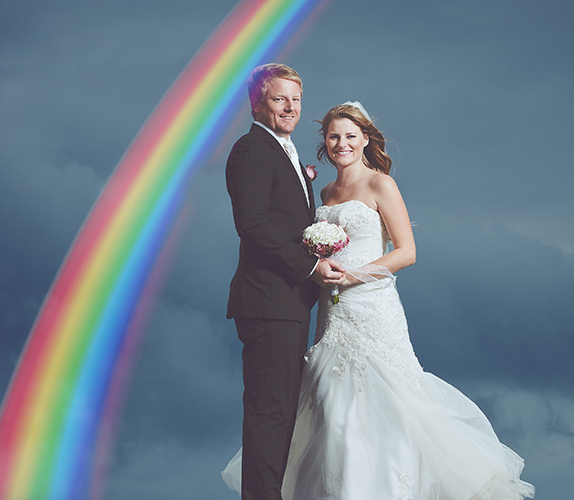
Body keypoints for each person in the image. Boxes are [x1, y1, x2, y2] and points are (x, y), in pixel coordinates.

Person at [224, 102, 535, 500]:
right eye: (334, 137)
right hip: (331, 314)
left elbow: (407, 251)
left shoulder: (380, 184)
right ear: (325, 143)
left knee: (385, 409)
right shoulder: (323, 191)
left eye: (350, 136)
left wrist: (352, 276)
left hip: (371, 306)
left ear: (365, 139)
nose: (342, 144)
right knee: (334, 417)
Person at [224, 64, 346, 500]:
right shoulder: (251, 150)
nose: (291, 108)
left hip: (290, 306)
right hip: (268, 303)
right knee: (269, 415)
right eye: (280, 99)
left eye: (295, 99)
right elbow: (252, 224)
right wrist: (310, 267)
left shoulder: (287, 150)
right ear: (258, 103)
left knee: (282, 416)